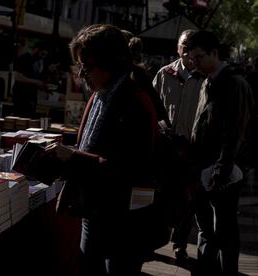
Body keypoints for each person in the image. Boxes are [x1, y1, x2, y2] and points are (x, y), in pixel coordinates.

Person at [53, 24, 170, 275]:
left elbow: (129, 168)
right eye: (79, 67)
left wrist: (74, 158)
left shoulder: (134, 101)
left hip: (125, 217)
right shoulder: (101, 95)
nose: (82, 75)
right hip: (95, 209)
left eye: (86, 67)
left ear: (109, 63)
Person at [187, 30, 254, 275]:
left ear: (214, 53)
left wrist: (221, 171)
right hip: (204, 169)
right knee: (208, 227)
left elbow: (235, 133)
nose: (195, 63)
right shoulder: (207, 81)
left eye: (199, 57)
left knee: (225, 229)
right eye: (192, 58)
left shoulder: (234, 83)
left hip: (223, 172)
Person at [152, 29, 205, 262]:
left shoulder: (205, 77)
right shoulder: (164, 74)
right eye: (183, 45)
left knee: (187, 200)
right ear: (177, 47)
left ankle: (180, 244)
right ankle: (155, 239)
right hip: (166, 148)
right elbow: (152, 107)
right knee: (161, 195)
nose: (186, 50)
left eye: (190, 46)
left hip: (192, 150)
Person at [12, 40, 48, 118]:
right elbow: (18, 77)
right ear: (36, 50)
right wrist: (36, 82)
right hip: (21, 95)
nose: (43, 56)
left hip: (31, 96)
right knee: (20, 118)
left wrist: (41, 85)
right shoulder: (24, 58)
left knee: (30, 118)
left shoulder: (39, 62)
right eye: (42, 53)